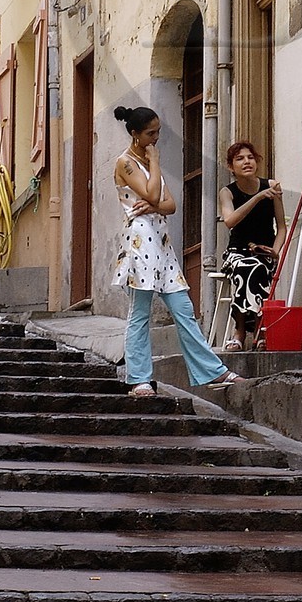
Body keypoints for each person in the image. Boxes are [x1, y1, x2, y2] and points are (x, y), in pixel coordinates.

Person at [112, 103, 239, 394]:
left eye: (158, 132)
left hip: (161, 242)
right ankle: (139, 378)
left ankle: (212, 371)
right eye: (150, 133)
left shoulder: (146, 163)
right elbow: (153, 193)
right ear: (135, 134)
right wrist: (155, 164)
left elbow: (169, 205)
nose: (156, 138)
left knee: (183, 308)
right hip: (140, 240)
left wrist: (154, 203)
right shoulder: (126, 162)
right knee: (140, 312)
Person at [218, 141, 286, 350]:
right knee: (248, 267)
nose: (246, 162)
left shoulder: (272, 186)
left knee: (258, 267)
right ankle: (250, 329)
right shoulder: (227, 192)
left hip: (265, 254)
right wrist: (257, 197)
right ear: (231, 166)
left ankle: (244, 331)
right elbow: (230, 221)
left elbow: (281, 227)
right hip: (236, 253)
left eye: (250, 157)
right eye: (239, 159)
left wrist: (275, 251)